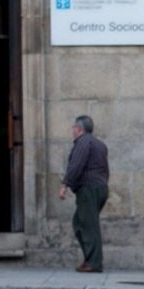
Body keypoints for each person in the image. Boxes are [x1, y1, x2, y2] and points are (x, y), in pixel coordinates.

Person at [59, 115, 109, 273]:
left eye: (73, 127)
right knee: (82, 223)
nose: (72, 130)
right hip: (100, 188)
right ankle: (91, 259)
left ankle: (94, 263)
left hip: (88, 189)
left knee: (87, 226)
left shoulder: (82, 143)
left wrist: (64, 185)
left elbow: (76, 165)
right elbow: (105, 169)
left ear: (79, 129)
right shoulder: (100, 144)